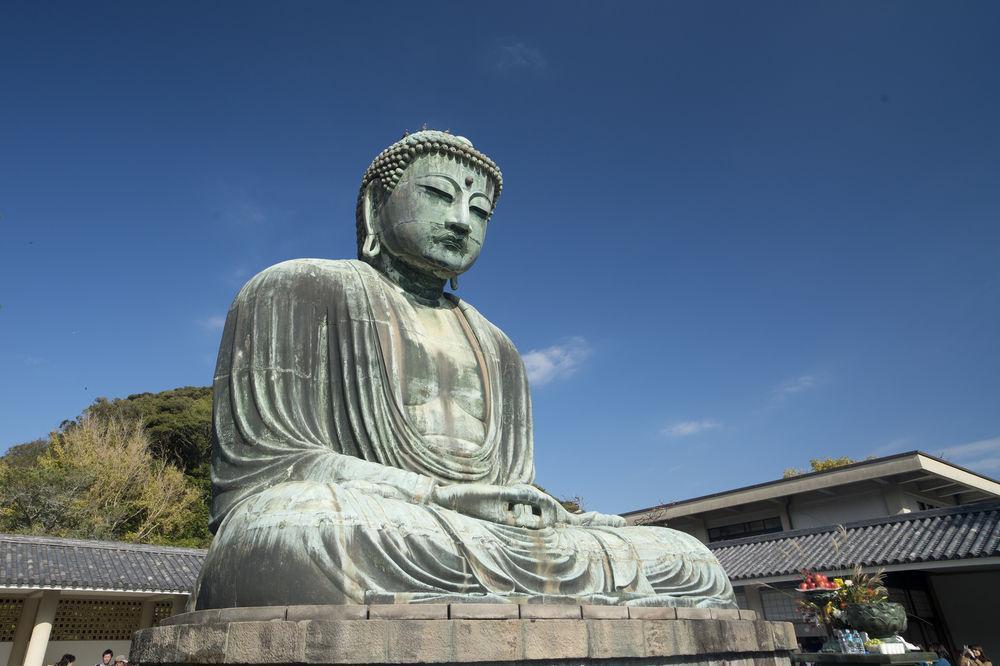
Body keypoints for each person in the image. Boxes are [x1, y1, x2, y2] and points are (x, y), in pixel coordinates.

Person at [191, 130, 736, 609]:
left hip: (479, 534)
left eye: (479, 211)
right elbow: (271, 471)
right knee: (291, 529)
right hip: (372, 517)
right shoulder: (295, 288)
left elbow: (510, 487)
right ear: (375, 205)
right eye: (438, 195)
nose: (461, 220)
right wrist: (440, 496)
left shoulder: (499, 347)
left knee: (687, 558)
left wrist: (555, 517)